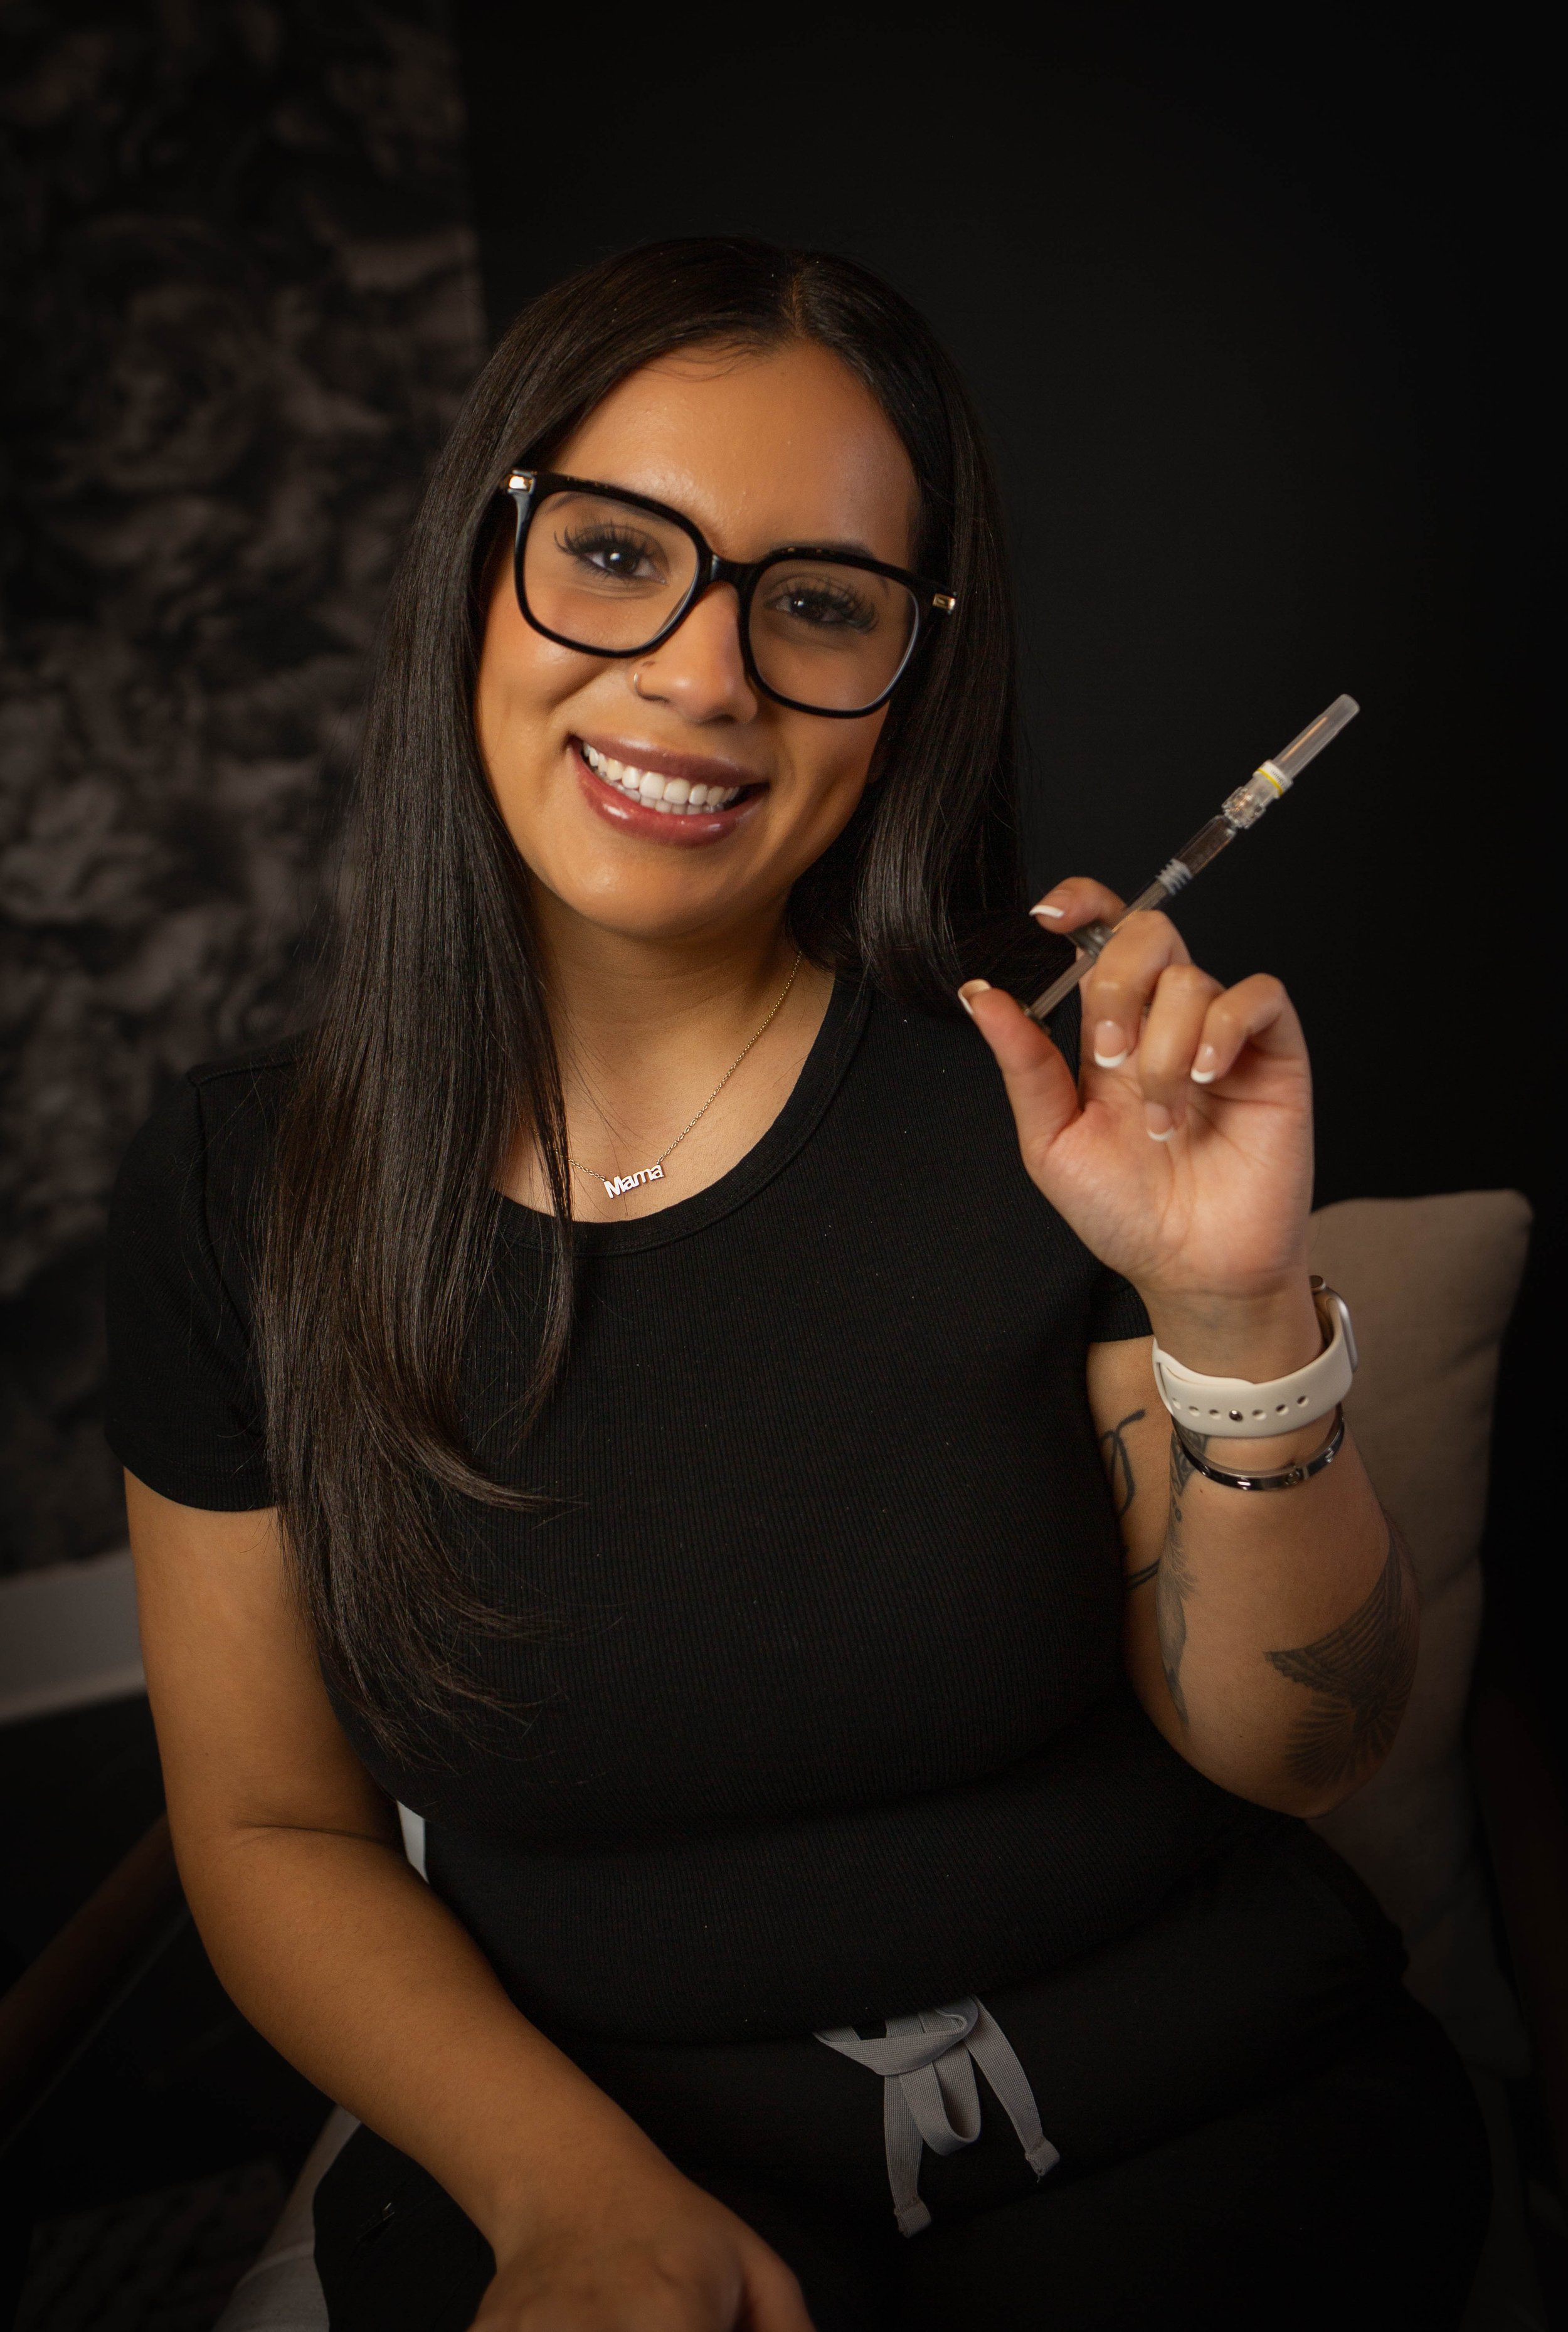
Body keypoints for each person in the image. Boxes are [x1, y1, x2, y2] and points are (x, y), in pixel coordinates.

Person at [107, 239, 1488, 2331]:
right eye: (613, 554)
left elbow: (1308, 1754)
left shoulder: (1050, 1112)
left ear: (906, 675)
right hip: (602, 2162)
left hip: (1205, 2131)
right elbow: (275, 1828)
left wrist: (1232, 1312)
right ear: (479, 569)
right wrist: (572, 2200)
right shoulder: (238, 1187)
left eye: (814, 603)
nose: (696, 674)